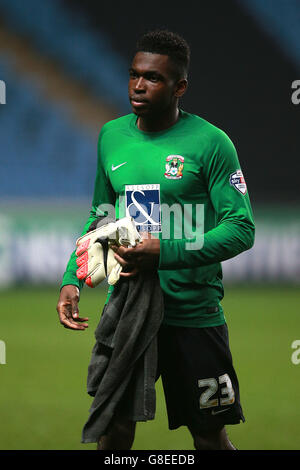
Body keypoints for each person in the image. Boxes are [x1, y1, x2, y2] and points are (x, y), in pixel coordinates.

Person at [56, 29, 255, 450]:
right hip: (128, 308)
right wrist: (72, 277)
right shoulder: (112, 136)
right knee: (113, 434)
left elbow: (241, 228)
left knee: (209, 437)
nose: (139, 85)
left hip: (193, 316)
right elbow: (101, 214)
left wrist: (164, 251)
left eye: (154, 78)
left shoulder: (212, 144)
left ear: (180, 86)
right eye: (134, 75)